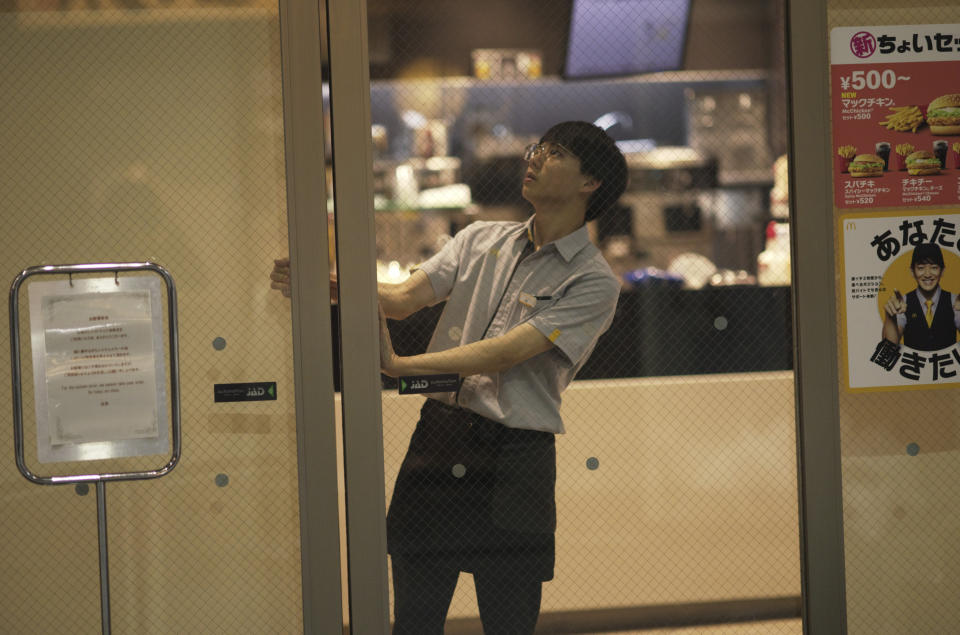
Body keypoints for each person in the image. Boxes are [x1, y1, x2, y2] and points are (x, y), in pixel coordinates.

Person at [271, 121, 627, 634]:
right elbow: (399, 300)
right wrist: (323, 282)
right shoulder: (481, 238)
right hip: (439, 436)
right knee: (414, 620)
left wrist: (400, 368)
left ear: (590, 182)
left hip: (515, 457)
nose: (534, 157)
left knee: (508, 622)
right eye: (537, 147)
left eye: (553, 152)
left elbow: (508, 353)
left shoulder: (593, 280)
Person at [882, 243, 960, 351]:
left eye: (934, 267)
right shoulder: (903, 302)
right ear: (912, 272)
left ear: (942, 271)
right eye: (921, 268)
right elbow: (889, 348)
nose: (927, 274)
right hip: (914, 366)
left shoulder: (955, 300)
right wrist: (890, 317)